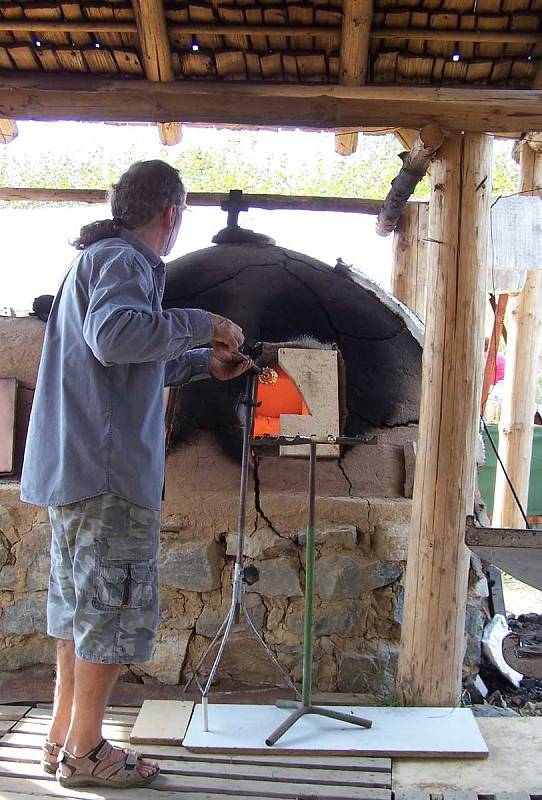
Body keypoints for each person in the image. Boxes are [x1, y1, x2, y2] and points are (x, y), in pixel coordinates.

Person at [20, 160, 253, 789]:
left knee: (79, 612)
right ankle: (90, 752)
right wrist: (206, 323)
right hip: (107, 475)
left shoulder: (94, 260)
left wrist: (203, 363)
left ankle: (64, 737)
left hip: (75, 472)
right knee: (111, 613)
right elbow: (117, 338)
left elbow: (125, 362)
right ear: (172, 214)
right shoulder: (125, 262)